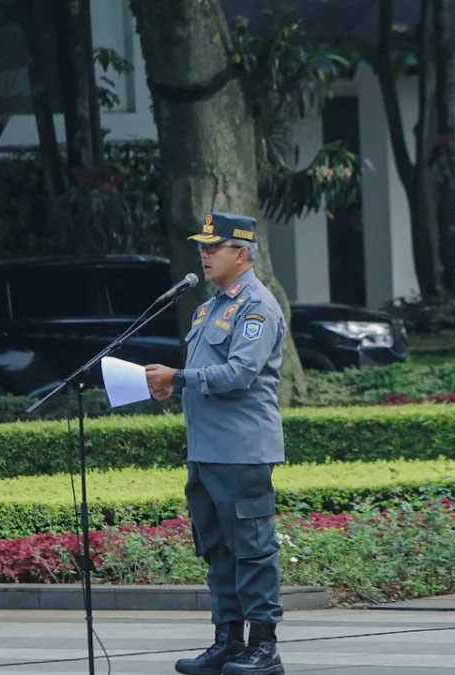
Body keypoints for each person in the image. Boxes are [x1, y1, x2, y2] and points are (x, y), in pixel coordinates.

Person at [145, 211, 287, 675]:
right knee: (217, 550)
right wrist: (174, 385)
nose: (204, 255)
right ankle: (228, 641)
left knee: (252, 549)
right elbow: (205, 377)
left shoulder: (256, 308)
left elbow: (240, 374)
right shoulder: (210, 309)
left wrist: (180, 376)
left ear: (241, 253)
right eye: (202, 247)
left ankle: (263, 647)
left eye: (213, 247)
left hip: (242, 452)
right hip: (206, 451)